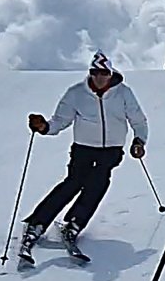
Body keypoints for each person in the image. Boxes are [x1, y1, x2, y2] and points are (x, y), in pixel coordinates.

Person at [16, 51, 149, 265]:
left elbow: (138, 120)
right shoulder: (76, 93)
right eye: (95, 72)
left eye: (104, 73)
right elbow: (60, 121)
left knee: (98, 183)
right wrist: (44, 127)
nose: (99, 77)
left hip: (111, 149)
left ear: (111, 73)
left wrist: (139, 141)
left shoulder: (123, 93)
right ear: (90, 73)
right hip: (83, 148)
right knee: (74, 182)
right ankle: (36, 224)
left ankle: (74, 223)